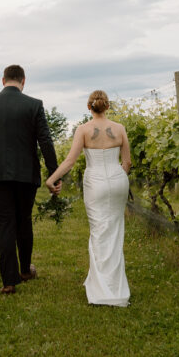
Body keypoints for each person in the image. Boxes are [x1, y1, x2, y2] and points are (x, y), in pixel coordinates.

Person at [0, 65, 58, 294]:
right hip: (25, 175)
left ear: (3, 80)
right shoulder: (34, 105)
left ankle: (9, 280)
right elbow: (45, 141)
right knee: (23, 220)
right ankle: (25, 270)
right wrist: (54, 174)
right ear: (23, 81)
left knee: (5, 223)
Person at [45, 90, 131, 307]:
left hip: (95, 182)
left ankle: (103, 289)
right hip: (119, 180)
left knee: (99, 231)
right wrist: (118, 177)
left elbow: (70, 161)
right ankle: (114, 286)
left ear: (89, 107)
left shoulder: (83, 130)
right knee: (115, 230)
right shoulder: (120, 128)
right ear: (108, 106)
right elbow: (127, 162)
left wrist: (51, 179)